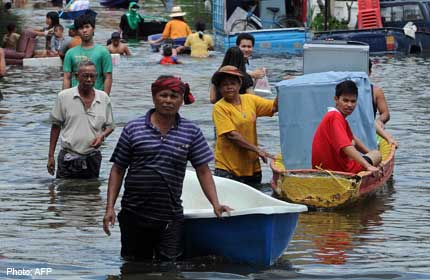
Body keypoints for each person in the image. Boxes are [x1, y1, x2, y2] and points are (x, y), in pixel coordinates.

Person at [102, 75, 231, 261]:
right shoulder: (133, 128)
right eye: (163, 95)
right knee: (135, 267)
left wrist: (215, 204)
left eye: (174, 96)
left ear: (181, 101)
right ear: (154, 97)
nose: (168, 101)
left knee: (168, 268)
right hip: (134, 214)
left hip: (170, 217)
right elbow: (118, 169)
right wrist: (109, 208)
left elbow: (203, 171)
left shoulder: (191, 132)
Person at [212, 65, 278, 187]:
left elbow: (274, 107)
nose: (229, 87)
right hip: (227, 168)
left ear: (239, 84)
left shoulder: (250, 100)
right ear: (220, 88)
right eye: (224, 85)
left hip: (252, 167)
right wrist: (257, 150)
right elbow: (231, 135)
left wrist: (283, 89)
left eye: (232, 83)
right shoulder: (219, 107)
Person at [47, 60, 115, 179]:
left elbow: (110, 126)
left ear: (96, 77)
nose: (89, 80)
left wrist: (102, 136)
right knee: (65, 193)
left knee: (92, 193)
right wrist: (51, 156)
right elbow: (56, 126)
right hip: (68, 158)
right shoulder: (64, 97)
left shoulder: (103, 98)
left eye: (92, 76)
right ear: (77, 77)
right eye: (85, 76)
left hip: (92, 158)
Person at [312, 80, 382, 174]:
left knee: (370, 152)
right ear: (336, 99)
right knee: (377, 154)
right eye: (345, 100)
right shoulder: (335, 117)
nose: (349, 105)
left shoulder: (335, 117)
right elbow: (346, 146)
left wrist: (368, 154)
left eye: (353, 101)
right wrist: (368, 165)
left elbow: (353, 138)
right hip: (340, 171)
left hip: (323, 169)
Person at [63, 14, 113, 94]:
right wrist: (64, 98)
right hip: (76, 97)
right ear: (77, 31)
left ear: (93, 29)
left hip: (97, 98)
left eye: (87, 27)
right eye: (81, 28)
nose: (84, 30)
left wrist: (105, 99)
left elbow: (108, 77)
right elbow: (67, 78)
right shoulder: (70, 53)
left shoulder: (103, 52)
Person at [368, 59, 397, 146]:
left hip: (371, 129)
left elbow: (385, 113)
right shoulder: (345, 92)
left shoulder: (376, 91)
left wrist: (379, 121)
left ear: (369, 73)